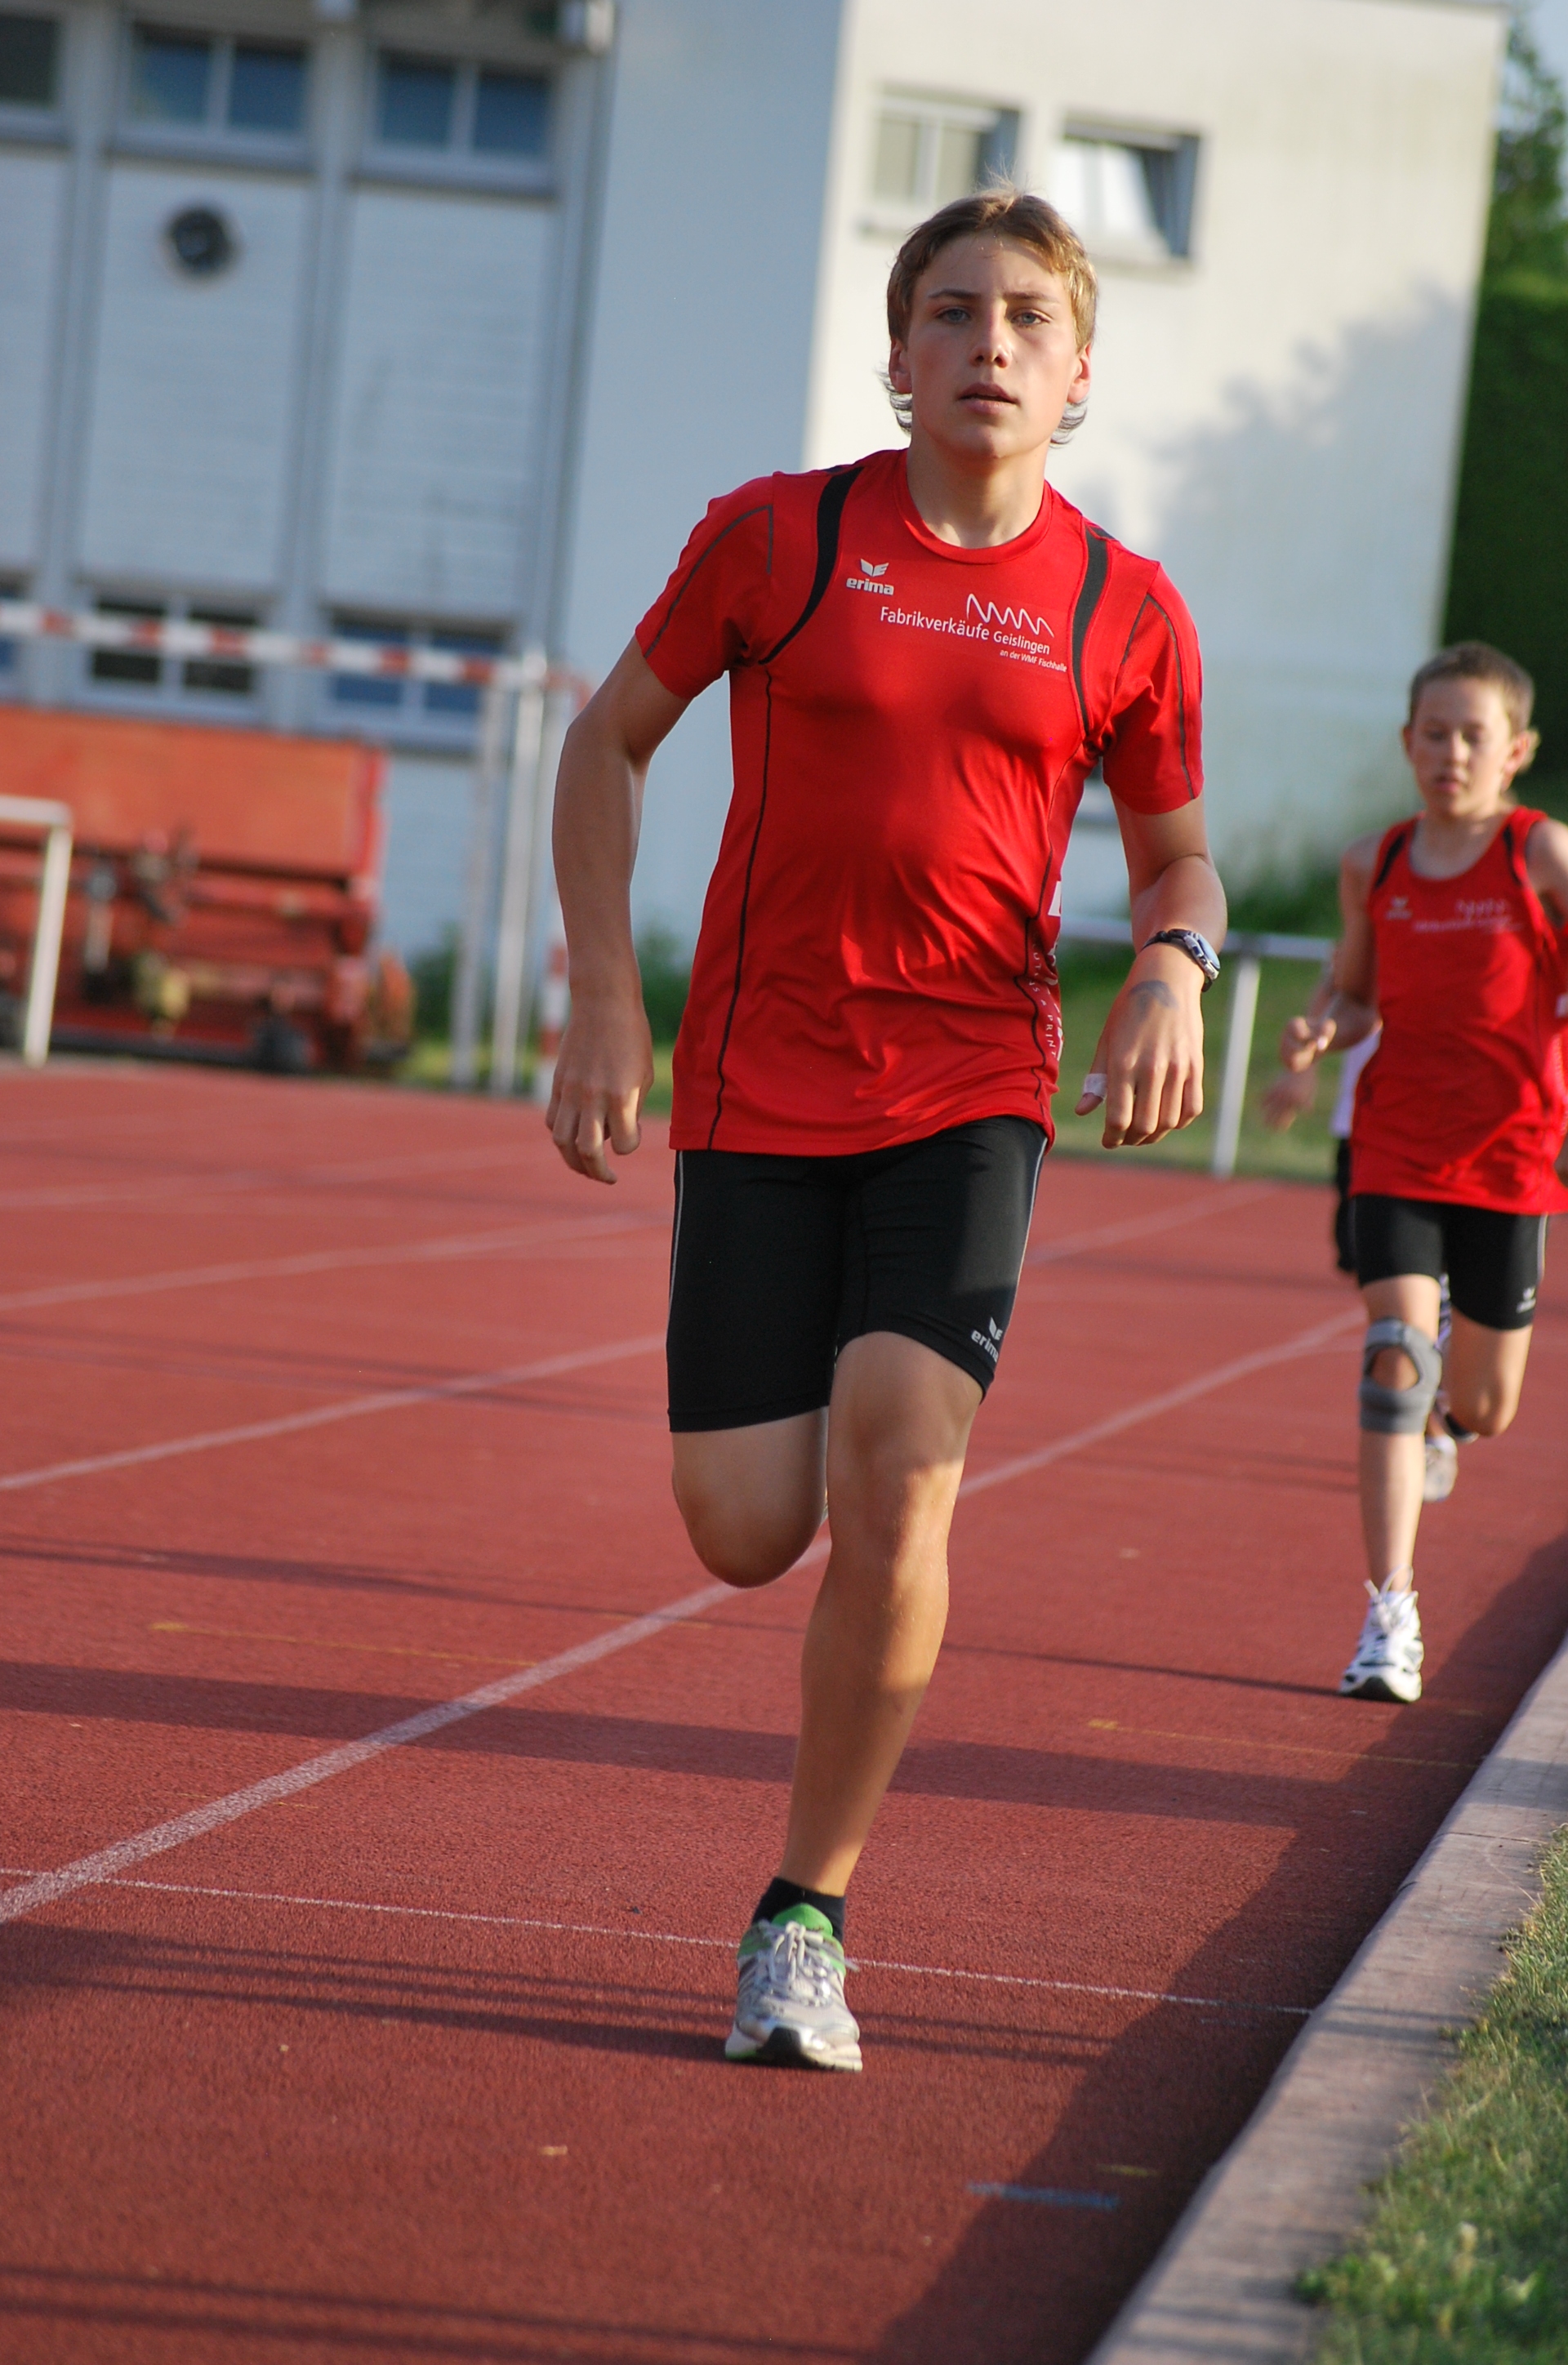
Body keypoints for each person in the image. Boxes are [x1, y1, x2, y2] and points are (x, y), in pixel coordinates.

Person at [546, 186, 1226, 2070]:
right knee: (744, 1525)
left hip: (971, 1084)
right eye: (951, 310)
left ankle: (804, 1915)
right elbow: (606, 741)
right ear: (898, 354)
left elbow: (1177, 858)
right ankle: (814, 1571)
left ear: (1077, 375)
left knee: (902, 1467)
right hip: (758, 1076)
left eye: (1026, 318)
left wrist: (1171, 970)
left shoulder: (1125, 608)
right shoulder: (779, 535)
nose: (987, 342)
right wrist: (604, 990)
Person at [1277, 643, 1568, 1704]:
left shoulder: (1541, 855)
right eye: (1434, 734)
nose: (1451, 753)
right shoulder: (1377, 863)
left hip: (1513, 1157)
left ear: (1516, 751)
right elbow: (1359, 996)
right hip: (1397, 1145)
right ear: (1408, 743)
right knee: (1394, 1349)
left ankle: (1453, 1420)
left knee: (1487, 1405)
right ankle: (1388, 1615)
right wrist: (1321, 1032)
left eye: (1473, 736)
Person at [1261, 987, 1459, 1499]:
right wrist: (1304, 1066)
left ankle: (1432, 1430)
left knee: (1408, 1300)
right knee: (1379, 1284)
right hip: (1363, 1124)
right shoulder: (1374, 929)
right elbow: (1341, 982)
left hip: (1446, 1127)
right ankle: (1433, 1391)